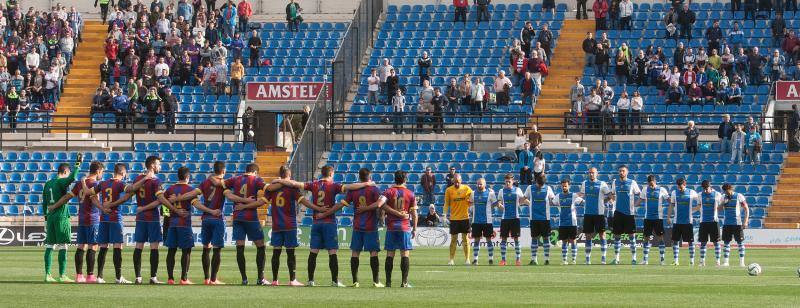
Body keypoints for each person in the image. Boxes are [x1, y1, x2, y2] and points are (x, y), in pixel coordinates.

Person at [272, 166, 374, 287]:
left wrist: (279, 180)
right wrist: (367, 183)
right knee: (332, 252)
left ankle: (310, 281)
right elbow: (350, 187)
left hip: (316, 222)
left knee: (313, 252)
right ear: (331, 173)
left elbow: (295, 183)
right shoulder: (333, 185)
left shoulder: (313, 184)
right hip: (329, 222)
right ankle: (335, 281)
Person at [317, 168, 384, 287]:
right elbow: (380, 204)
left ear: (359, 177)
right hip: (370, 227)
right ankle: (376, 281)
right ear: (370, 177)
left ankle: (355, 281)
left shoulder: (354, 191)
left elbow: (340, 205)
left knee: (355, 253)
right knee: (373, 253)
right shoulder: (374, 189)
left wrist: (324, 214)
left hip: (357, 226)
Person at [127, 156, 171, 284]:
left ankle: (138, 277)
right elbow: (159, 200)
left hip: (140, 218)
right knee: (154, 247)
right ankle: (153, 277)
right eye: (158, 164)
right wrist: (172, 207)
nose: (160, 167)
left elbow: (130, 191)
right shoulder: (156, 181)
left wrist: (141, 208)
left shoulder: (138, 179)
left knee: (139, 246)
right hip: (152, 218)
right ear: (152, 165)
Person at [221, 164, 267, 285]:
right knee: (261, 246)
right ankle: (260, 279)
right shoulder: (257, 180)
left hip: (237, 217)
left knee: (240, 247)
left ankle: (244, 279)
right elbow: (267, 188)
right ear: (255, 172)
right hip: (251, 217)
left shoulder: (235, 179)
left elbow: (221, 184)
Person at [88, 163, 133, 284]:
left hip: (103, 218)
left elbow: (90, 194)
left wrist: (102, 208)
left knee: (103, 247)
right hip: (115, 217)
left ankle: (99, 277)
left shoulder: (103, 183)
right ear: (123, 173)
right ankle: (118, 277)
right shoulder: (120, 184)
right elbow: (130, 191)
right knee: (117, 246)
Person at [373, 170, 417, 288]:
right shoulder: (410, 193)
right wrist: (415, 229)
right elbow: (414, 213)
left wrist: (393, 213)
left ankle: (388, 282)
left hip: (392, 227)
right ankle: (404, 282)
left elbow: (380, 204)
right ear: (405, 180)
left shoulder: (388, 191)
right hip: (404, 227)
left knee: (390, 254)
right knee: (405, 254)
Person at [42, 156, 82, 283]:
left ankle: (48, 275)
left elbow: (44, 202)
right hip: (61, 217)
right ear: (65, 172)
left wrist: (45, 218)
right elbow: (73, 178)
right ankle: (62, 275)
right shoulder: (60, 182)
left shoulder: (48, 183)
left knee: (49, 245)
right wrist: (77, 165)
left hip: (51, 217)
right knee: (63, 245)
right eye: (67, 173)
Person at [64, 161, 104, 283]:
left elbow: (69, 196)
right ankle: (90, 276)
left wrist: (55, 205)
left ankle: (78, 276)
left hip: (81, 219)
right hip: (93, 219)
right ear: (98, 171)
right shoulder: (95, 184)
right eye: (102, 172)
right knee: (93, 246)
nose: (102, 174)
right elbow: (95, 200)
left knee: (81, 246)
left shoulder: (80, 184)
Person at [161, 167, 198, 285]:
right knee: (186, 251)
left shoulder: (169, 189)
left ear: (178, 176)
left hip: (172, 224)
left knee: (171, 251)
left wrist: (170, 215)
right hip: (184, 224)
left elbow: (163, 210)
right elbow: (195, 204)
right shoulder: (190, 189)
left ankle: (170, 279)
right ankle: (184, 278)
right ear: (187, 177)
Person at [580, 167, 613, 265]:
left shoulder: (602, 184)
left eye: (593, 173)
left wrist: (606, 201)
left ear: (597, 174)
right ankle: (587, 259)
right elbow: (581, 195)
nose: (591, 174)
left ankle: (603, 258)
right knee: (588, 236)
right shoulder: (584, 184)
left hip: (599, 214)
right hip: (588, 214)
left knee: (602, 235)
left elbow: (609, 196)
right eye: (590, 173)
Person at [496, 174, 530, 266]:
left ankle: (518, 259)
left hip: (515, 218)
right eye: (506, 181)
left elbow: (523, 200)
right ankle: (503, 260)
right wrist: (501, 207)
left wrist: (531, 205)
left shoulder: (517, 190)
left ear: (513, 181)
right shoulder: (501, 191)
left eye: (509, 181)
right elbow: (499, 204)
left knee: (516, 239)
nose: (507, 183)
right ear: (504, 181)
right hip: (505, 218)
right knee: (503, 239)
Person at [610, 166, 641, 265]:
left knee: (632, 236)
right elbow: (612, 194)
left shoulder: (632, 182)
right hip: (618, 212)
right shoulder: (615, 182)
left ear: (627, 172)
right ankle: (617, 258)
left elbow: (640, 194)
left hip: (629, 213)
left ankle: (634, 258)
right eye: (620, 171)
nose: (621, 172)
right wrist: (612, 199)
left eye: (623, 171)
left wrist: (635, 205)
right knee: (617, 236)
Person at [636, 175, 670, 265]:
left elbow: (669, 200)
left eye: (652, 184)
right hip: (648, 218)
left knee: (660, 237)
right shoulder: (645, 189)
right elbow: (640, 200)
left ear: (655, 182)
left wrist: (674, 204)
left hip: (658, 218)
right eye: (650, 184)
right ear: (648, 183)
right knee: (646, 238)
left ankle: (662, 260)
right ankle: (645, 259)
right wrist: (633, 205)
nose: (651, 186)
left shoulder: (662, 189)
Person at [668, 178, 700, 266]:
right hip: (677, 221)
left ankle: (692, 260)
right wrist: (668, 217)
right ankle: (676, 260)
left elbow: (700, 202)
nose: (680, 189)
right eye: (678, 187)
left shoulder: (692, 192)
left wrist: (694, 209)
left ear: (684, 184)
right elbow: (671, 205)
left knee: (690, 242)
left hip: (688, 221)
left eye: (681, 187)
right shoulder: (674, 193)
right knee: (675, 241)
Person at [443, 174, 474, 266]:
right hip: (454, 219)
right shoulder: (449, 190)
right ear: (453, 181)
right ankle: (451, 259)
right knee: (453, 240)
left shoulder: (467, 189)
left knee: (465, 239)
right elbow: (446, 203)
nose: (457, 183)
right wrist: (444, 214)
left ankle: (467, 259)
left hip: (465, 218)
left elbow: (473, 198)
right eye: (455, 182)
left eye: (458, 182)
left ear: (461, 181)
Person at [525, 175, 555, 265]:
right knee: (534, 238)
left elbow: (553, 200)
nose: (540, 186)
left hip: (545, 218)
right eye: (539, 184)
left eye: (542, 185)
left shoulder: (548, 188)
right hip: (534, 218)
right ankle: (534, 259)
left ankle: (546, 259)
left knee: (546, 238)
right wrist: (529, 204)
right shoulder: (530, 188)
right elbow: (524, 198)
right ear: (536, 181)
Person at [552, 178, 583, 265]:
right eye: (563, 186)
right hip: (562, 222)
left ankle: (573, 259)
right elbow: (553, 203)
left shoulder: (573, 195)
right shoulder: (558, 196)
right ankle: (564, 260)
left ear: (569, 186)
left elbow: (582, 201)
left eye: (565, 186)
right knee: (564, 241)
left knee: (573, 240)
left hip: (572, 222)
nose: (564, 187)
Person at [470, 178, 498, 265]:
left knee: (489, 240)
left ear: (485, 184)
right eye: (478, 184)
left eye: (481, 184)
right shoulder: (473, 193)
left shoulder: (490, 193)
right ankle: (475, 259)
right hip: (476, 221)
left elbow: (495, 204)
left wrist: (489, 208)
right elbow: (470, 204)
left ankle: (490, 259)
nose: (479, 185)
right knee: (476, 240)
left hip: (487, 221)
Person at [720, 183, 749, 267]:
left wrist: (745, 221)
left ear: (731, 189)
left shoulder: (739, 196)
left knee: (740, 242)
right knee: (726, 242)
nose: (726, 193)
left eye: (727, 192)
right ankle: (726, 262)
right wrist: (723, 203)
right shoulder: (723, 197)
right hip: (727, 223)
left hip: (737, 223)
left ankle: (742, 262)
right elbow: (719, 209)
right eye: (725, 192)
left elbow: (746, 208)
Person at [697, 180, 723, 267]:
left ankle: (718, 261)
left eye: (706, 188)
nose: (705, 190)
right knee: (703, 242)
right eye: (704, 188)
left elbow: (721, 206)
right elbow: (699, 206)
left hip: (714, 222)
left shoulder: (717, 194)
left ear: (710, 186)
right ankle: (702, 261)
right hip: (703, 221)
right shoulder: (700, 195)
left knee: (716, 242)